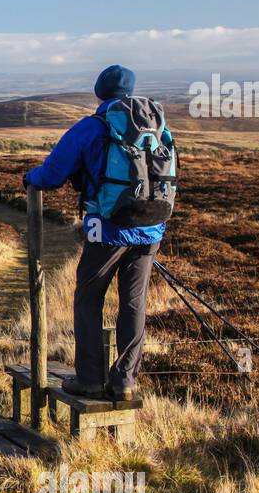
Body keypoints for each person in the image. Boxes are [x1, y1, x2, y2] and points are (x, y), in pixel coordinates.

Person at [22, 64, 164, 402]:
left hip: (109, 230)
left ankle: (88, 379)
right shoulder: (156, 125)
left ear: (100, 92)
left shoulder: (92, 127)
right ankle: (125, 381)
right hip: (150, 228)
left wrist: (31, 178)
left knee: (88, 299)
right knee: (134, 303)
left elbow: (53, 174)